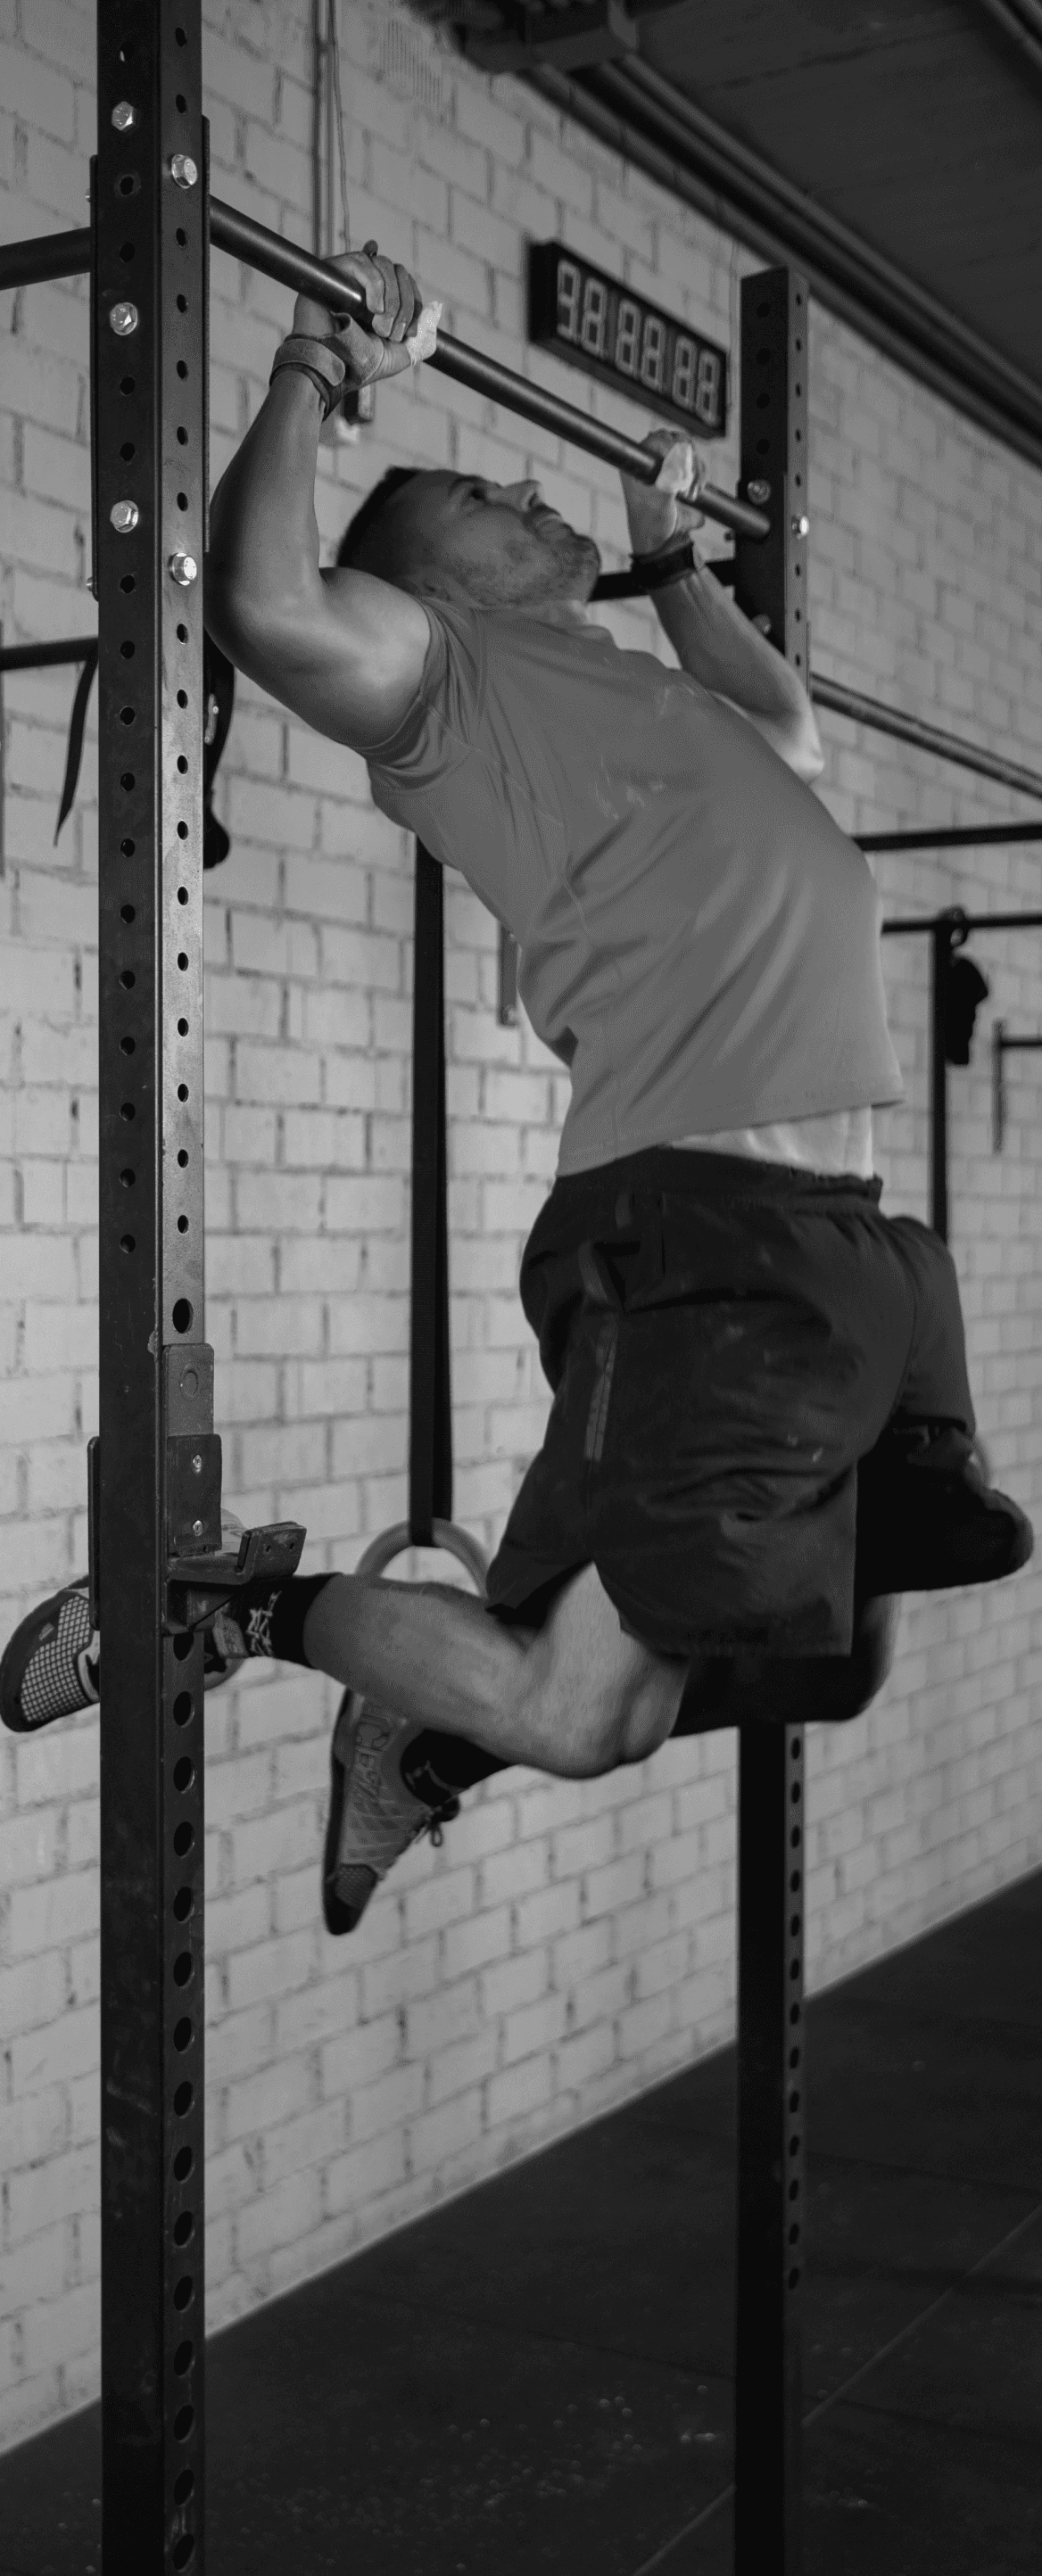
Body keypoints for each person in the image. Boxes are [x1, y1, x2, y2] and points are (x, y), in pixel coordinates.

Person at [2, 247, 1031, 1938]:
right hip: (700, 1232)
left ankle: (427, 1727)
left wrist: (668, 555)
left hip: (844, 1239)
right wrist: (317, 364)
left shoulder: (640, 685)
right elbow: (261, 603)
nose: (528, 493)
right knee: (579, 1710)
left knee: (817, 1666)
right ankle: (208, 1607)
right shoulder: (447, 680)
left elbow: (792, 726)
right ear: (425, 580)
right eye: (486, 496)